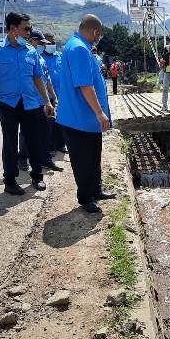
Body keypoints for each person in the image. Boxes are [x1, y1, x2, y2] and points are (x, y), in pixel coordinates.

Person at [0, 11, 54, 195]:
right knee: (10, 142)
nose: (29, 32)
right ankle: (10, 180)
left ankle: (37, 176)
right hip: (7, 103)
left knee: (34, 141)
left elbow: (38, 79)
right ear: (13, 29)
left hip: (30, 103)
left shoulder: (30, 51)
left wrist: (47, 101)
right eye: (26, 29)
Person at [56, 14, 115, 213]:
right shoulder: (79, 49)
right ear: (95, 32)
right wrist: (100, 113)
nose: (97, 39)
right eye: (98, 36)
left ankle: (96, 190)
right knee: (83, 160)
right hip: (79, 118)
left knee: (94, 156)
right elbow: (85, 85)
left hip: (86, 119)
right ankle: (85, 197)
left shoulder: (77, 46)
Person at [18, 29, 63, 172]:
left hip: (44, 101)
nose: (42, 46)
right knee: (27, 133)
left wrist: (53, 96)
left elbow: (47, 80)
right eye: (40, 43)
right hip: (30, 102)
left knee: (45, 132)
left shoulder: (41, 59)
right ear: (31, 41)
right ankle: (22, 158)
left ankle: (45, 159)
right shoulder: (25, 57)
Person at [42, 32, 67, 154]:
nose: (52, 44)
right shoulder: (40, 57)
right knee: (49, 123)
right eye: (49, 43)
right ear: (44, 44)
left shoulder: (60, 56)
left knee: (61, 121)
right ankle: (50, 147)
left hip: (61, 95)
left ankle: (61, 144)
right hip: (48, 96)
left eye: (53, 42)